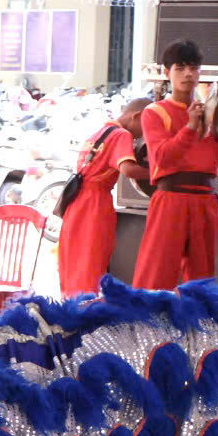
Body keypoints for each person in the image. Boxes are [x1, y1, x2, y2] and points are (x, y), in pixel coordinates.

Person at [132, 40, 218, 290]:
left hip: (205, 201)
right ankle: (145, 316)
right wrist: (190, 127)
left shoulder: (212, 112)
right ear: (167, 72)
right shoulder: (154, 112)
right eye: (180, 68)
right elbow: (162, 157)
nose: (188, 74)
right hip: (170, 199)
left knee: (201, 280)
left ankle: (197, 316)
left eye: (193, 68)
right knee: (156, 275)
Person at [56, 97, 151, 296]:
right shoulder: (122, 135)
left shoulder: (100, 132)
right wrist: (160, 172)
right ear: (137, 116)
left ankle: (71, 308)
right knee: (91, 264)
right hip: (94, 203)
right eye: (146, 126)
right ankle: (87, 310)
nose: (145, 134)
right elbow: (128, 169)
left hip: (75, 202)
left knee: (74, 263)